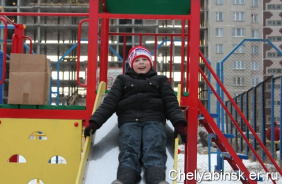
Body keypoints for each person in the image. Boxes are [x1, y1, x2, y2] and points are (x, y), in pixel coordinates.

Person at [84, 45, 187, 184]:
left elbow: (170, 103)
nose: (141, 63)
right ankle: (125, 180)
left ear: (150, 63)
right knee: (129, 148)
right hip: (129, 121)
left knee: (154, 147)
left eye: (145, 59)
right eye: (137, 60)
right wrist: (95, 122)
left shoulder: (160, 80)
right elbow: (110, 102)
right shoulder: (122, 80)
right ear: (131, 64)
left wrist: (179, 123)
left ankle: (156, 180)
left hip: (154, 120)